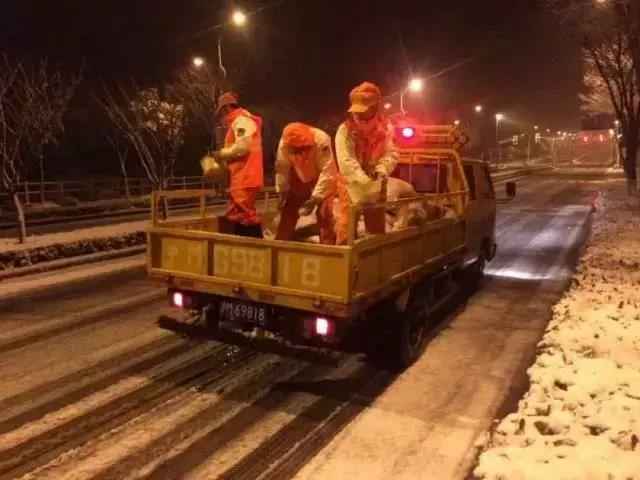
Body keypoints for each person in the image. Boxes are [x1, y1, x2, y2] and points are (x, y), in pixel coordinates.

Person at [334, 82, 398, 244]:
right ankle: (344, 254)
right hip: (350, 182)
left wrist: (382, 169)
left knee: (376, 229)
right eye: (356, 111)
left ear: (375, 108)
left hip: (376, 180)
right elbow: (346, 160)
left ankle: (373, 256)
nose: (358, 115)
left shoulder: (386, 128)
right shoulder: (345, 130)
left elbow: (391, 153)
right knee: (346, 226)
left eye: (363, 111)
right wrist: (363, 180)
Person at [274, 122, 338, 244]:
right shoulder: (284, 145)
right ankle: (280, 243)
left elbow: (328, 171)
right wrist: (282, 192)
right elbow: (282, 169)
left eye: (304, 148)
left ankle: (328, 246)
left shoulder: (321, 139)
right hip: (298, 175)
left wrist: (315, 198)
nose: (301, 153)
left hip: (320, 176)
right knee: (288, 209)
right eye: (296, 150)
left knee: (325, 212)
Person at [214, 92, 264, 238]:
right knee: (238, 214)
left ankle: (255, 247)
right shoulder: (241, 121)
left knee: (245, 215)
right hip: (243, 176)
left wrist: (222, 154)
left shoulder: (242, 121)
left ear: (227, 108)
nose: (222, 117)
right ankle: (243, 246)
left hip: (245, 176)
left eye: (222, 113)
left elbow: (242, 147)